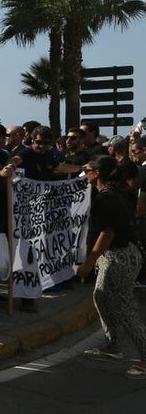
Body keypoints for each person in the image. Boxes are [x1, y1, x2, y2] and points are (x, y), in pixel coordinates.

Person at [78, 156, 146, 378]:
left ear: (96, 173)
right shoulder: (115, 193)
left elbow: (108, 233)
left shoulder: (106, 199)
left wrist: (89, 261)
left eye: (87, 169)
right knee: (101, 296)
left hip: (120, 256)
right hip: (116, 254)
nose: (84, 172)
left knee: (123, 307)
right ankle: (112, 345)